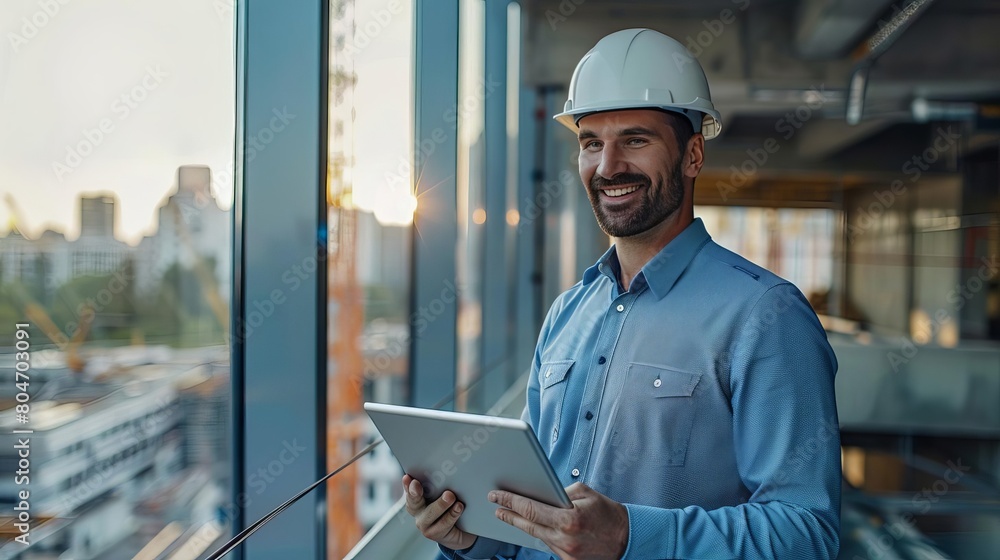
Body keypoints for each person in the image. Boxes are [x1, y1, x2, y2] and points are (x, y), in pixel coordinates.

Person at [403, 28, 841, 559]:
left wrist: (631, 536)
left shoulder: (766, 316)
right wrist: (469, 539)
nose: (608, 167)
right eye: (591, 143)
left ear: (693, 154)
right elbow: (530, 520)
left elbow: (806, 534)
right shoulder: (567, 313)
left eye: (635, 139)